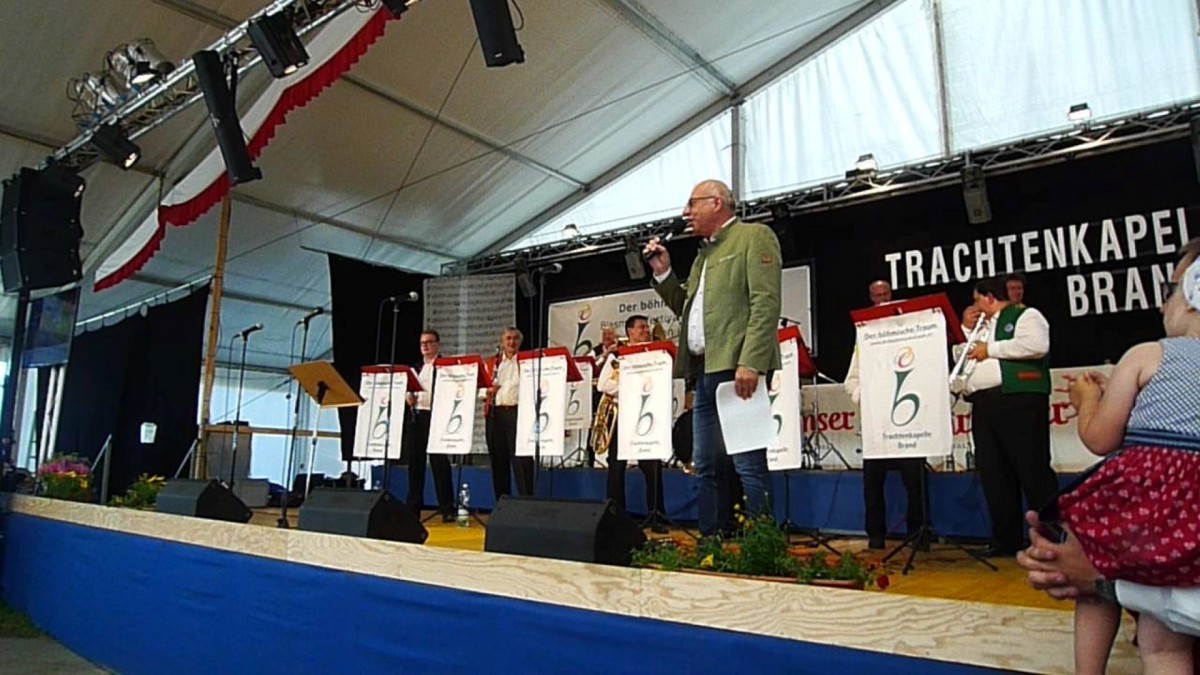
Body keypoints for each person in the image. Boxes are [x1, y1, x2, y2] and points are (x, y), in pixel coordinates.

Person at [1030, 238, 1200, 674]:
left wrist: (1088, 400)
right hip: (1192, 538)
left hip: (1148, 517)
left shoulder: (1148, 354)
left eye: (1170, 291)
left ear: (1193, 295)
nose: (1162, 304)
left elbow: (1101, 439)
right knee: (1166, 645)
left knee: (1090, 550)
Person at [643, 179, 782, 536]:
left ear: (716, 202)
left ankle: (762, 546)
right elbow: (685, 308)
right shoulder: (703, 255)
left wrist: (751, 361)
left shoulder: (754, 237)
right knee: (705, 464)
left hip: (737, 369)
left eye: (692, 204)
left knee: (748, 463)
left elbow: (765, 304)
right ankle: (712, 545)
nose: (685, 212)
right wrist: (663, 272)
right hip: (704, 371)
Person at [958, 276, 1057, 557]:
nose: (974, 306)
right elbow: (963, 356)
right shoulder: (981, 327)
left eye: (977, 300)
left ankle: (1051, 538)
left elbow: (1036, 345)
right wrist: (966, 330)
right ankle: (1006, 540)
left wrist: (989, 349)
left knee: (1032, 469)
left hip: (1018, 400)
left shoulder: (1026, 315)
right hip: (985, 404)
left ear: (989, 297)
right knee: (994, 472)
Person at [843, 280, 927, 550]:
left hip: (908, 422)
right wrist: (865, 398)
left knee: (915, 480)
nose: (882, 299)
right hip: (876, 424)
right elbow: (850, 381)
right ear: (871, 298)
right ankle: (875, 535)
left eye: (886, 294)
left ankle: (919, 534)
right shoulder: (864, 336)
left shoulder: (909, 331)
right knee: (872, 483)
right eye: (877, 296)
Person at [596, 314, 666, 531]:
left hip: (647, 413)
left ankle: (657, 516)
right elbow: (602, 384)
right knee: (616, 466)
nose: (646, 331)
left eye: (647, 327)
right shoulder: (618, 355)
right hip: (623, 414)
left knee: (652, 465)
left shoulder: (655, 355)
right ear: (630, 332)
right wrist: (630, 386)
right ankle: (616, 516)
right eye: (641, 327)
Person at [405, 330, 455, 521]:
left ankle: (447, 508)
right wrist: (407, 397)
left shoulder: (444, 367)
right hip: (416, 417)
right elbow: (407, 389)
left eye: (429, 342)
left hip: (436, 417)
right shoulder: (415, 368)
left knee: (439, 463)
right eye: (422, 343)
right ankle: (413, 508)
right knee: (415, 464)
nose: (425, 346)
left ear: (437, 344)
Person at [484, 327, 534, 499]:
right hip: (495, 414)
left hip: (518, 414)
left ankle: (526, 502)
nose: (512, 342)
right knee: (498, 461)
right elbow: (481, 390)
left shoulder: (528, 363)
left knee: (522, 461)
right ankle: (502, 502)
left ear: (520, 341)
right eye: (508, 338)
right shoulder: (492, 363)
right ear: (502, 341)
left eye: (515, 338)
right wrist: (488, 391)